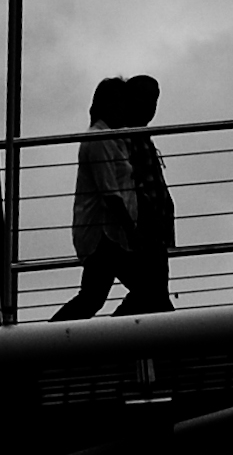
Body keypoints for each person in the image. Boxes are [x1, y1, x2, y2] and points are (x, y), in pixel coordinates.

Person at [52, 74, 175, 319]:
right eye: (122, 102)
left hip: (111, 233)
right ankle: (103, 336)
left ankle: (59, 339)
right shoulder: (101, 139)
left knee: (94, 297)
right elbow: (110, 192)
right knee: (148, 292)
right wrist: (133, 232)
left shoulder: (113, 138)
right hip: (106, 234)